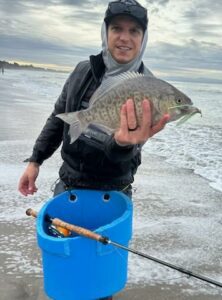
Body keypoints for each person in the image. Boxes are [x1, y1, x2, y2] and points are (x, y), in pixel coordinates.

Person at [18, 1, 169, 299]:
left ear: (144, 37)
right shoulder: (82, 71)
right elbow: (58, 117)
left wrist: (124, 144)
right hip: (69, 188)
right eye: (117, 28)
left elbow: (125, 154)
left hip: (112, 195)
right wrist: (35, 160)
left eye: (134, 30)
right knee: (67, 274)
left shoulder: (149, 89)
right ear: (105, 31)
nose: (124, 37)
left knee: (99, 284)